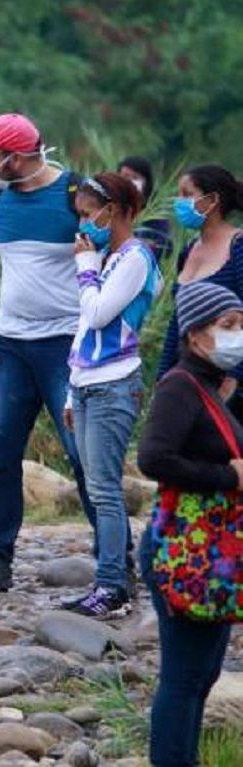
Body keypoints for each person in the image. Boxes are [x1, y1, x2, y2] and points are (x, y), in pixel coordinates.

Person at [0, 112, 93, 594]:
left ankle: (114, 557)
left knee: (82, 450)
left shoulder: (76, 194)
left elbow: (114, 255)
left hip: (68, 345)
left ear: (17, 156)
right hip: (9, 344)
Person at [137, 282, 243, 767]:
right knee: (182, 677)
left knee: (202, 675)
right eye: (228, 327)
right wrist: (225, 476)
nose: (237, 336)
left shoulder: (210, 387)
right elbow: (154, 458)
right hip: (185, 549)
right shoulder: (180, 385)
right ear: (197, 334)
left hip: (212, 552)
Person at [61, 173, 161, 618]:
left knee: (104, 490)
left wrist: (84, 267)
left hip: (114, 384)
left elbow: (99, 315)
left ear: (115, 211)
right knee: (97, 485)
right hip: (86, 385)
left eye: (88, 213)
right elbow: (83, 331)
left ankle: (112, 586)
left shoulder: (136, 258)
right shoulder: (108, 257)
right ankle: (109, 582)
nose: (84, 224)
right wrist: (69, 390)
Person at [156, 165, 243, 416]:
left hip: (228, 374)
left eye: (187, 194)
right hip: (191, 375)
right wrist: (164, 374)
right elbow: (179, 318)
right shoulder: (190, 249)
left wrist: (234, 377)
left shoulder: (237, 246)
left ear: (212, 200)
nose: (180, 202)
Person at [118, 156, 172, 260]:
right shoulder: (109, 205)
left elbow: (165, 246)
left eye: (135, 178)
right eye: (125, 176)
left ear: (146, 182)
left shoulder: (153, 210)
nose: (129, 181)